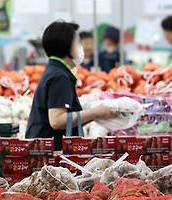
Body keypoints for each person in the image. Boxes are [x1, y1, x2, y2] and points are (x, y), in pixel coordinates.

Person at [26, 21, 116, 149]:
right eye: (78, 43)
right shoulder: (59, 77)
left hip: (43, 149)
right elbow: (57, 121)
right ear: (66, 46)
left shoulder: (56, 71)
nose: (81, 48)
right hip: (48, 153)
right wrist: (95, 113)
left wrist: (93, 113)